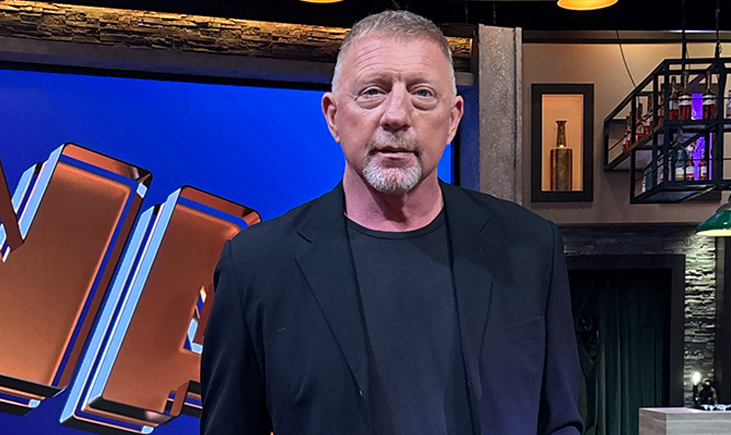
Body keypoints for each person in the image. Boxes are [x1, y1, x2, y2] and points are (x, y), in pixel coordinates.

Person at [200, 10, 582, 435]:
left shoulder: (530, 246)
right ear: (333, 116)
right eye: (372, 92)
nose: (396, 115)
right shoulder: (255, 265)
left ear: (453, 119)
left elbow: (559, 421)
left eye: (422, 93)